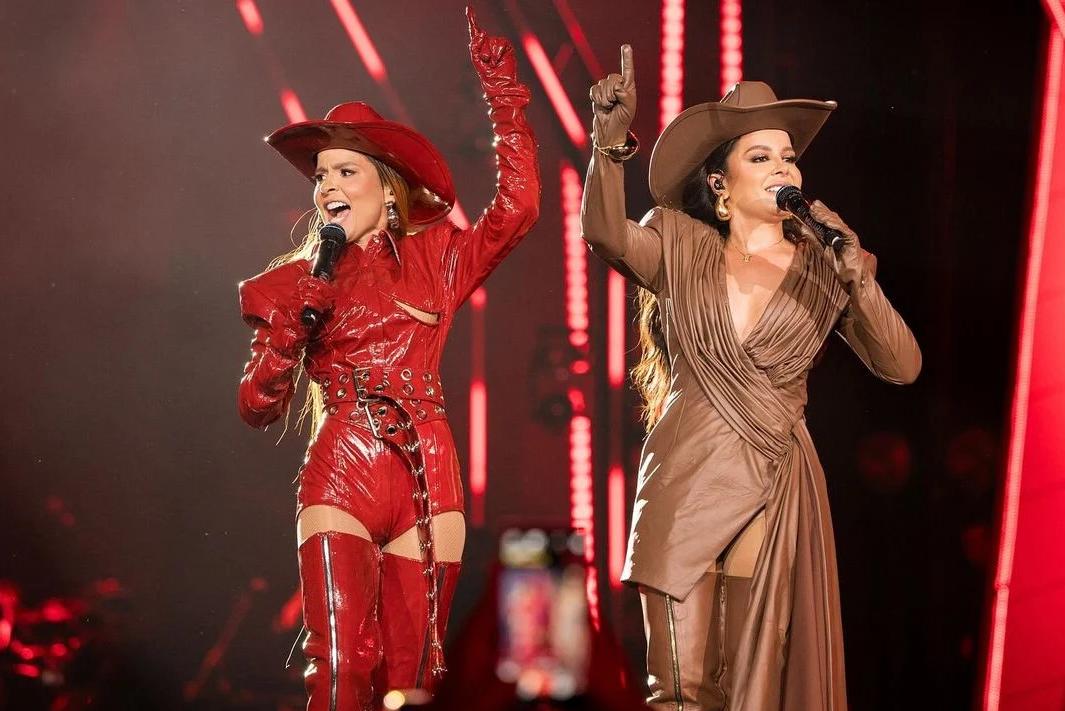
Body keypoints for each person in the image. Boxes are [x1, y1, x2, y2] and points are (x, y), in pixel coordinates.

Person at [580, 46, 921, 710]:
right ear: (720, 184)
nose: (782, 167)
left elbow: (902, 366)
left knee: (751, 690)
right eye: (760, 157)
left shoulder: (826, 268)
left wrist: (859, 280)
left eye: (788, 157)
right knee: (678, 688)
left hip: (772, 479)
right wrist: (609, 144)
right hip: (683, 477)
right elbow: (605, 236)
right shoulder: (678, 242)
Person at [235, 9, 539, 708]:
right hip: (342, 466)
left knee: (414, 676)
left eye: (346, 170)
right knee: (343, 664)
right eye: (321, 175)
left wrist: (502, 92)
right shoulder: (290, 283)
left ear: (388, 186)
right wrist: (292, 328)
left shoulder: (439, 260)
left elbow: (518, 208)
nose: (328, 187)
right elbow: (255, 406)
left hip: (428, 471)